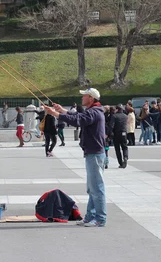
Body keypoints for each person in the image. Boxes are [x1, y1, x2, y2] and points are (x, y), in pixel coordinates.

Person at [44, 88, 106, 227]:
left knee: (97, 188)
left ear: (90, 98)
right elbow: (78, 116)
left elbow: (78, 120)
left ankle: (100, 219)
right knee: (92, 189)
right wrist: (62, 110)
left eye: (84, 96)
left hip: (95, 154)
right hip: (93, 153)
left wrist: (55, 113)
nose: (81, 98)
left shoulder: (94, 112)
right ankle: (90, 217)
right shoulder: (94, 111)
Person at [108, 104, 129, 169]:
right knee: (124, 147)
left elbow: (111, 126)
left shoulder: (114, 116)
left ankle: (121, 163)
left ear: (117, 109)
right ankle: (125, 157)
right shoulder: (125, 116)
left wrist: (109, 134)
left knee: (117, 149)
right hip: (124, 133)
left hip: (116, 134)